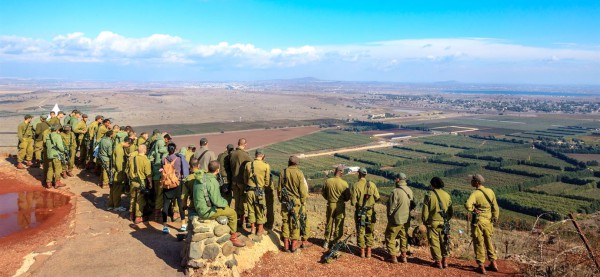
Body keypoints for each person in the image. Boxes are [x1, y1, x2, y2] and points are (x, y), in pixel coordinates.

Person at [193, 160, 246, 247]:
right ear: (217, 170)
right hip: (206, 211)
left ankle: (231, 231)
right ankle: (233, 237)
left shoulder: (201, 177)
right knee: (232, 213)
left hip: (199, 206)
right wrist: (225, 202)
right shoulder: (212, 182)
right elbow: (217, 201)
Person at [465, 174, 500, 274]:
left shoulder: (475, 193)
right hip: (488, 222)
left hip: (478, 222)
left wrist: (473, 210)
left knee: (478, 242)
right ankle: (493, 263)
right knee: (489, 241)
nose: (471, 182)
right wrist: (494, 219)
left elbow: (468, 205)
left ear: (476, 182)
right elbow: (496, 207)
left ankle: (481, 266)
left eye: (472, 180)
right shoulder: (490, 191)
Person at [278, 156, 311, 252]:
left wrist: (281, 199)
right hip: (296, 202)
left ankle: (286, 243)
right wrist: (302, 201)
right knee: (295, 222)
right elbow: (303, 191)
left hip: (285, 201)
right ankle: (294, 244)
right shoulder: (299, 173)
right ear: (297, 163)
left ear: (288, 162)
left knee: (285, 221)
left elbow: (279, 189)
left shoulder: (283, 172)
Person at [423, 177, 453, 269]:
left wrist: (425, 221)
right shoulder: (447, 195)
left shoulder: (429, 195)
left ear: (432, 184)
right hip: (444, 223)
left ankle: (438, 261)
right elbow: (451, 212)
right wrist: (446, 219)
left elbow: (425, 212)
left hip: (433, 223)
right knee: (444, 241)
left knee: (434, 242)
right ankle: (445, 261)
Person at [385, 173, 414, 264]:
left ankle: (393, 257)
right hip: (406, 219)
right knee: (404, 237)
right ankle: (404, 256)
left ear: (398, 180)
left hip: (396, 219)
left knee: (390, 236)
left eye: (395, 178)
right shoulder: (409, 190)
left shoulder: (395, 191)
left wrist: (389, 217)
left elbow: (391, 207)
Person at [351, 167, 380, 258]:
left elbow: (352, 202)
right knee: (369, 231)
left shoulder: (355, 185)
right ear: (366, 174)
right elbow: (377, 198)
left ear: (359, 174)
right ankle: (369, 252)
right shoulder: (372, 185)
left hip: (360, 212)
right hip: (370, 212)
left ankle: (362, 251)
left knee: (360, 230)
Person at [160, 143, 188, 233]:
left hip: (167, 184)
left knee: (165, 205)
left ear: (167, 150)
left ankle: (164, 226)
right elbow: (183, 171)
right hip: (177, 183)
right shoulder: (179, 159)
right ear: (175, 149)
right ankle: (183, 224)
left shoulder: (163, 159)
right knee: (180, 204)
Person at [321, 165, 350, 250]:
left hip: (330, 204)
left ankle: (326, 242)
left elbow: (323, 193)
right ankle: (335, 242)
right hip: (340, 205)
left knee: (329, 223)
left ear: (335, 171)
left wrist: (329, 199)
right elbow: (348, 197)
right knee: (339, 224)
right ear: (341, 173)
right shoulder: (344, 184)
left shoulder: (328, 181)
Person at [243, 148, 271, 235]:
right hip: (259, 191)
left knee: (250, 209)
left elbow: (245, 179)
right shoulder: (266, 166)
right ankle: (260, 229)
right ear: (263, 156)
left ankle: (252, 229)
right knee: (260, 209)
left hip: (250, 191)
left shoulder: (248, 165)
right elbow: (267, 182)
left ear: (255, 155)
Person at [229, 138, 252, 227]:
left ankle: (237, 220)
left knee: (237, 200)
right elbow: (253, 163)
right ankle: (241, 221)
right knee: (242, 201)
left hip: (234, 180)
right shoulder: (245, 154)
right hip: (242, 181)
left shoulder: (232, 153)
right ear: (245, 144)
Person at [126, 144, 151, 224]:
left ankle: (131, 214)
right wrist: (150, 183)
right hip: (141, 182)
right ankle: (138, 217)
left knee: (132, 198)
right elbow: (148, 174)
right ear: (145, 150)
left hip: (133, 181)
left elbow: (127, 171)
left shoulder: (131, 159)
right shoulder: (146, 160)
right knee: (140, 200)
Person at [149, 133, 170, 221]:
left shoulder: (153, 151)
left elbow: (150, 159)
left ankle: (156, 211)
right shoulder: (164, 151)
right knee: (160, 195)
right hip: (161, 176)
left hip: (154, 176)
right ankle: (158, 214)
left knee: (157, 194)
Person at [109, 137, 131, 212]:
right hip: (118, 172)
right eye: (129, 145)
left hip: (114, 171)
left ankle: (111, 205)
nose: (128, 147)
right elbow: (119, 163)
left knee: (113, 189)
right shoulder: (120, 150)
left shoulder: (118, 146)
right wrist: (121, 172)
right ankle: (117, 206)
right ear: (127, 143)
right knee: (117, 189)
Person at [182, 158, 201, 229]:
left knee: (192, 224)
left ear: (190, 166)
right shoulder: (205, 175)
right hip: (206, 205)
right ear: (198, 166)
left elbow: (184, 196)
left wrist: (184, 206)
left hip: (194, 204)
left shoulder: (188, 179)